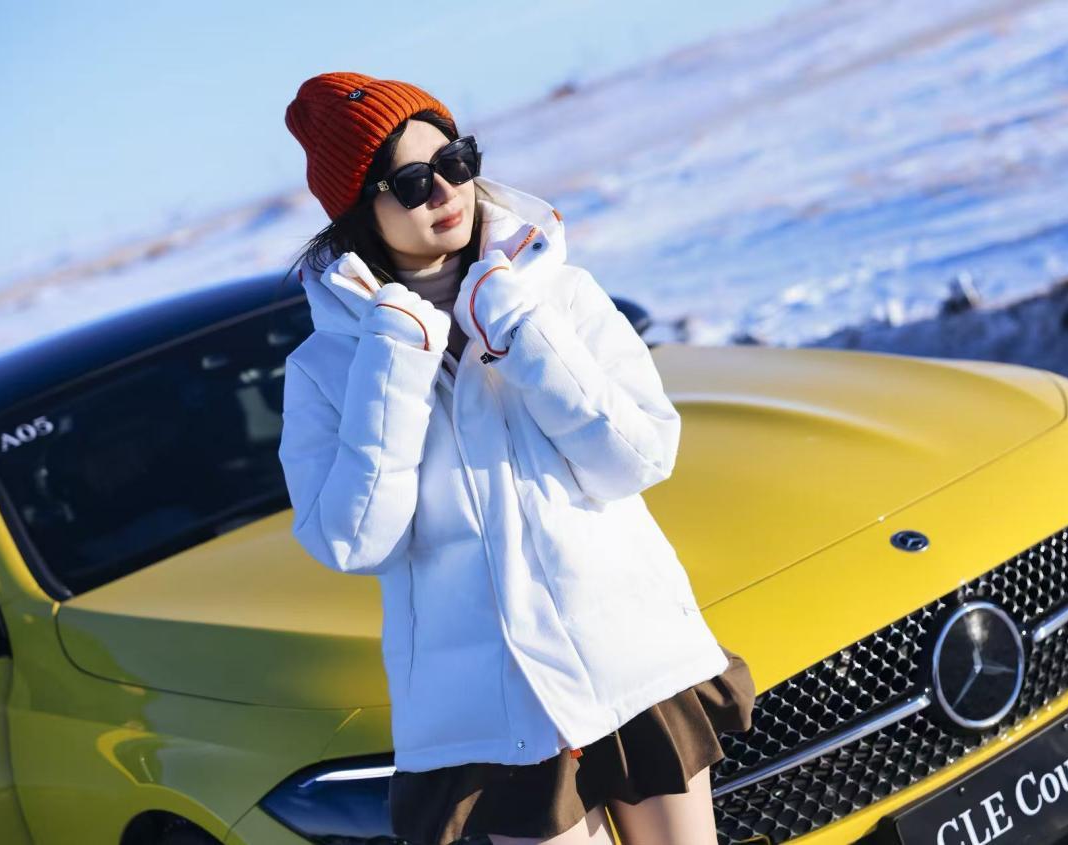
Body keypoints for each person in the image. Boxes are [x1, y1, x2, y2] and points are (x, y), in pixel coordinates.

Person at [279, 71, 757, 845]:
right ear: (359, 210)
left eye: (455, 160)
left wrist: (522, 331)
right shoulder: (325, 369)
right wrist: (393, 358)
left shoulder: (558, 296)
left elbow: (636, 457)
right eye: (412, 181)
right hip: (492, 720)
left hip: (633, 661)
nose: (445, 190)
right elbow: (354, 540)